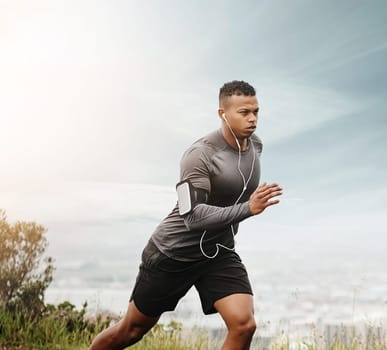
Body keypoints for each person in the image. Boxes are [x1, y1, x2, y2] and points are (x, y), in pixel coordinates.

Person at [90, 80, 282, 350]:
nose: (253, 120)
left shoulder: (255, 146)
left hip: (218, 252)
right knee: (131, 331)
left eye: (256, 112)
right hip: (173, 254)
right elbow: (191, 216)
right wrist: (247, 209)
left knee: (244, 325)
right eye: (244, 113)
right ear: (222, 114)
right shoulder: (198, 155)